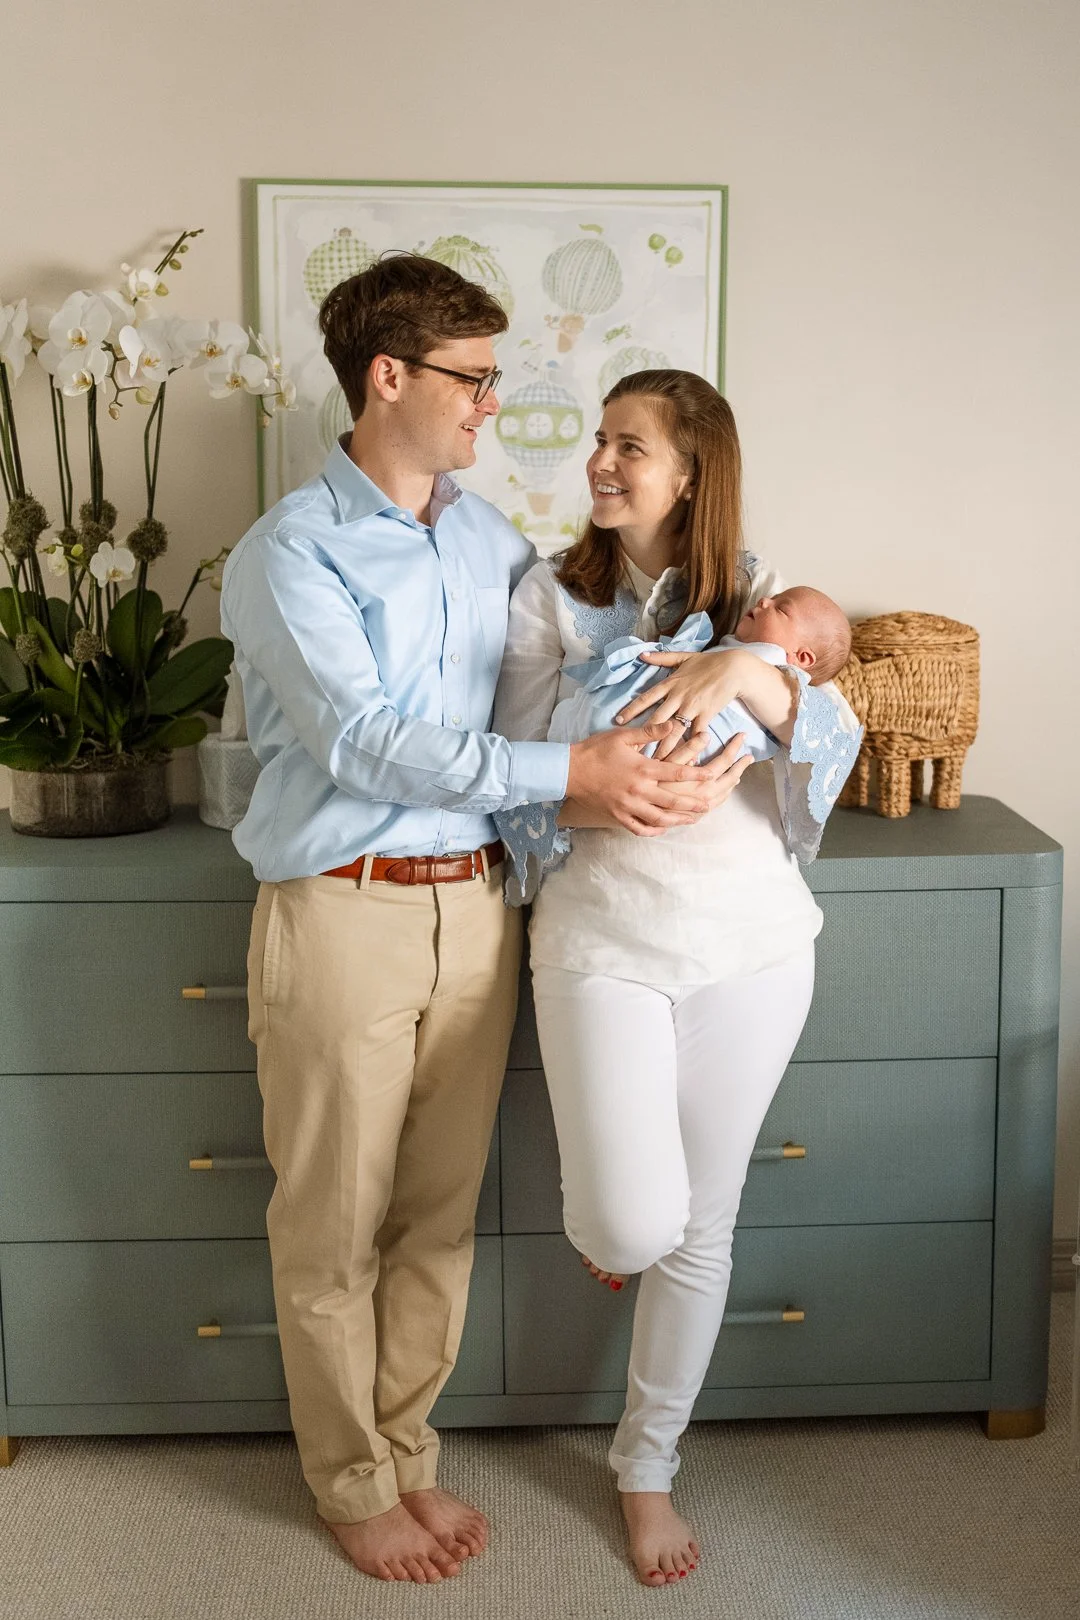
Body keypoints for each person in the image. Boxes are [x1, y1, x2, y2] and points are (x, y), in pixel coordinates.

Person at [219, 259, 745, 1587]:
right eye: (473, 377)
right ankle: (351, 1485)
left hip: (480, 911)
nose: (494, 405)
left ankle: (407, 1450)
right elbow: (366, 742)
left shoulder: (489, 540)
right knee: (332, 1225)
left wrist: (755, 662)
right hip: (341, 916)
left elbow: (586, 656)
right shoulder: (290, 552)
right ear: (388, 377)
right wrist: (576, 777)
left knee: (438, 1220)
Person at [492, 369, 862, 1588]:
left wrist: (746, 676)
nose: (601, 462)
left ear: (692, 470)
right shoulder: (551, 594)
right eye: (599, 440)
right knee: (632, 1221)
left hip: (752, 944)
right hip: (603, 941)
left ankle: (645, 1468)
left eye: (629, 444)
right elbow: (520, 768)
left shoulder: (760, 601)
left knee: (705, 1231)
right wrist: (611, 784)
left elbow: (833, 751)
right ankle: (616, 1225)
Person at [552, 584, 853, 771]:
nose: (763, 601)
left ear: (801, 658)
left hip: (682, 745)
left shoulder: (777, 667)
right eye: (771, 598)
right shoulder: (737, 645)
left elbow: (834, 737)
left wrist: (741, 668)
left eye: (781, 609)